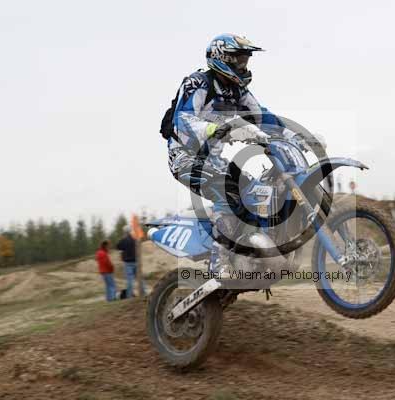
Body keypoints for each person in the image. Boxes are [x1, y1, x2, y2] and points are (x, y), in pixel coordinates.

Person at [163, 33, 301, 273]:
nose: (243, 64)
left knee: (255, 190)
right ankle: (219, 261)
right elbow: (183, 120)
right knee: (226, 189)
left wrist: (295, 136)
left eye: (245, 59)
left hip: (214, 160)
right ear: (222, 58)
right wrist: (222, 128)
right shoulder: (198, 83)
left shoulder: (239, 91)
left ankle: (251, 252)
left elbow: (262, 116)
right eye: (239, 59)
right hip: (184, 157)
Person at [116, 226, 145, 298]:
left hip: (128, 262)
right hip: (136, 261)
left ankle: (129, 295)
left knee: (129, 280)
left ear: (125, 232)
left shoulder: (124, 240)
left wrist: (122, 238)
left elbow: (118, 246)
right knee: (140, 278)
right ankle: (143, 292)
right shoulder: (134, 238)